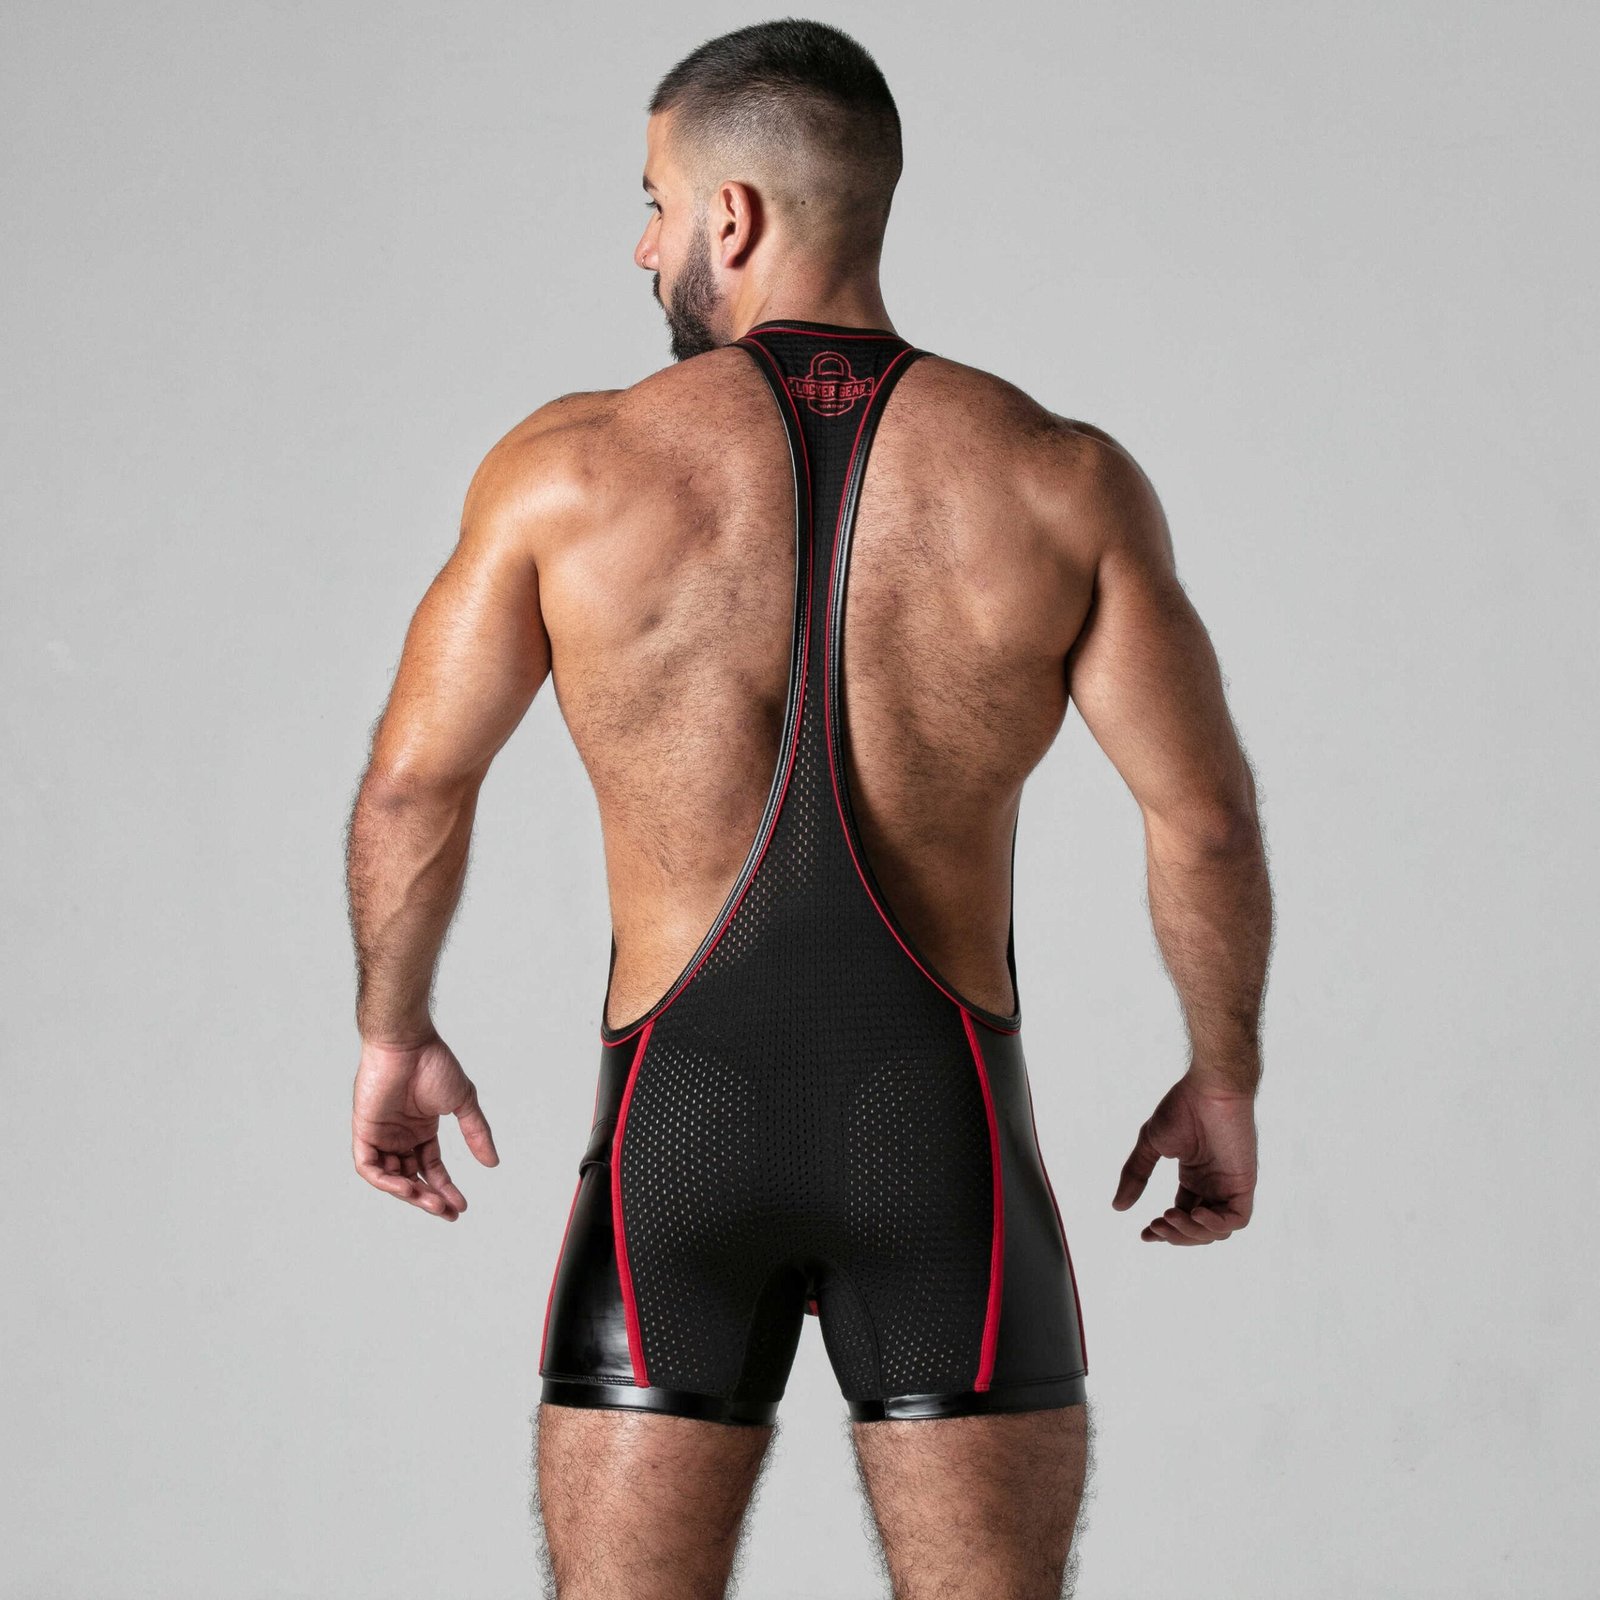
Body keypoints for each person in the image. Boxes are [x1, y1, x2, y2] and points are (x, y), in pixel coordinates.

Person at [344, 18, 1272, 1599]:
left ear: (733, 216)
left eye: (654, 204)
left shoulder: (568, 472)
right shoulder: (1058, 477)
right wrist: (1223, 1073)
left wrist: (393, 1031)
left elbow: (415, 782)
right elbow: (1207, 823)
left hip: (674, 1142)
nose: (644, 247)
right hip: (941, 1143)